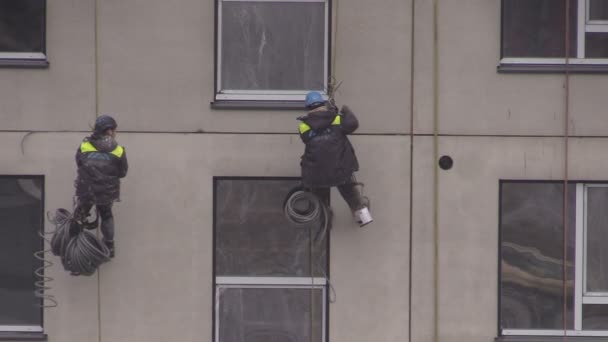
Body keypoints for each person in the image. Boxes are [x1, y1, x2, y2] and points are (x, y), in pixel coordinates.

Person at [297, 91, 373, 226]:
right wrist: (346, 111)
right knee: (351, 195)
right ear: (323, 104)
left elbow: (308, 137)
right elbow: (352, 124)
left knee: (320, 198)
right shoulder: (336, 119)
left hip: (317, 173)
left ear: (308, 108)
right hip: (341, 169)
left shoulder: (304, 126)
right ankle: (363, 217)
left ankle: (324, 222)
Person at [71, 115, 128, 257]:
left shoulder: (84, 146)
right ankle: (109, 245)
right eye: (115, 130)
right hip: (106, 192)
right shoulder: (118, 150)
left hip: (87, 189)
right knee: (106, 215)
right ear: (109, 131)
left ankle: (72, 242)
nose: (115, 133)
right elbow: (122, 172)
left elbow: (79, 164)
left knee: (81, 213)